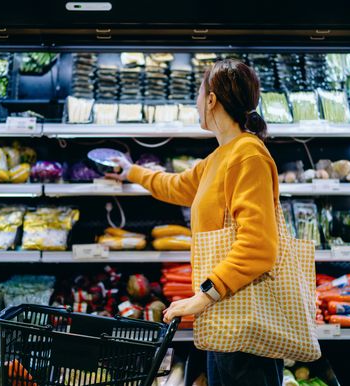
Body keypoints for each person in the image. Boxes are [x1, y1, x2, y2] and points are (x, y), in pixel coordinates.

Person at [107, 59, 282, 386]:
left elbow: (259, 246)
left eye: (199, 95)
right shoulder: (220, 157)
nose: (196, 103)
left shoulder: (249, 156)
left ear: (212, 99)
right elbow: (175, 186)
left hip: (246, 326)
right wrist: (130, 170)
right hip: (226, 319)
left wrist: (204, 295)